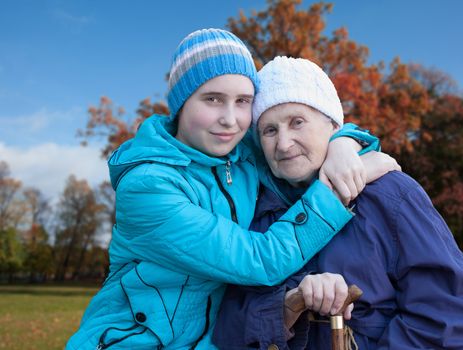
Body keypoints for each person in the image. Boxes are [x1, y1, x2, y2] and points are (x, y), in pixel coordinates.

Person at [66, 29, 394, 350]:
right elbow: (259, 260)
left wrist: (343, 147)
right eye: (212, 99)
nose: (231, 119)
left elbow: (318, 124)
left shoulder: (241, 153)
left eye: (243, 102)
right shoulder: (148, 187)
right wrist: (337, 190)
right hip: (133, 340)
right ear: (181, 104)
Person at [213, 57, 463, 349]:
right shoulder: (251, 216)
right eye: (269, 130)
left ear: (332, 125)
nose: (283, 143)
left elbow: (449, 314)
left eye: (297, 122)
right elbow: (225, 329)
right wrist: (288, 304)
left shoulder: (390, 194)